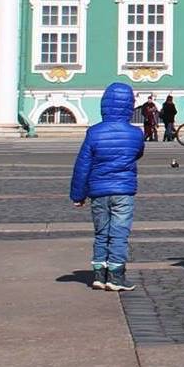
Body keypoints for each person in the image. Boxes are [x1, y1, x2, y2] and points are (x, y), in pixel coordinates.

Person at [69, 81, 145, 292]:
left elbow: (82, 166)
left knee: (101, 233)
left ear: (104, 105)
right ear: (129, 106)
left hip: (98, 191)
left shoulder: (94, 132)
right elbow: (138, 153)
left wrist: (78, 195)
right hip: (123, 191)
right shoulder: (136, 133)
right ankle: (116, 277)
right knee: (119, 234)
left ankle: (98, 275)